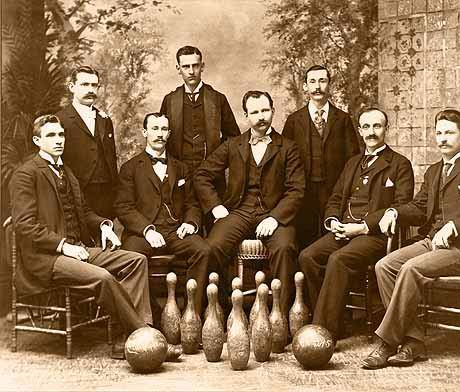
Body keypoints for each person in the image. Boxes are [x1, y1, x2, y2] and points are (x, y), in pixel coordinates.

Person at [362, 109, 460, 369]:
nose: (442, 139)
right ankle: (414, 341)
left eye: (449, 132)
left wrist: (455, 226)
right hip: (430, 242)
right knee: (385, 266)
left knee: (410, 268)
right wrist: (394, 211)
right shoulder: (434, 171)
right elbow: (418, 208)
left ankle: (386, 342)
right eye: (438, 133)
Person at [10, 114, 153, 359]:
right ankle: (145, 338)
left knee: (136, 260)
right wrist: (63, 245)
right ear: (37, 140)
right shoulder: (26, 174)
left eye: (61, 134)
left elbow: (84, 212)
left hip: (78, 249)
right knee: (104, 277)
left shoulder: (67, 171)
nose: (59, 140)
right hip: (46, 259)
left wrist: (104, 226)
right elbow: (24, 225)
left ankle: (129, 337)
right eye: (51, 135)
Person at [298, 108, 414, 345]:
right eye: (367, 127)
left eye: (377, 126)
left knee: (338, 259)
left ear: (386, 129)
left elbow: (402, 206)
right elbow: (335, 198)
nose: (372, 132)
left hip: (376, 236)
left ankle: (322, 333)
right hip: (344, 230)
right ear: (360, 131)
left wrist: (362, 227)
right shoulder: (352, 163)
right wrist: (333, 222)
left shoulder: (400, 164)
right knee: (308, 256)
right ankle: (337, 320)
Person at [194, 91, 305, 312]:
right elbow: (201, 175)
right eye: (255, 112)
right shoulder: (233, 145)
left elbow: (297, 189)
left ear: (273, 111)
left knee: (284, 248)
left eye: (265, 110)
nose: (261, 116)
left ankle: (279, 317)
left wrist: (275, 218)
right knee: (211, 247)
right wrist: (216, 207)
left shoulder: (288, 147)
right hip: (240, 211)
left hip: (274, 213)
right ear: (246, 115)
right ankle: (213, 312)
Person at [114, 112, 213, 316]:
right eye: (155, 129)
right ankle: (153, 316)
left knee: (203, 250)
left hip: (176, 232)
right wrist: (147, 230)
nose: (160, 134)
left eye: (164, 129)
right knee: (130, 257)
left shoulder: (181, 168)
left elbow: (193, 203)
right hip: (144, 233)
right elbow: (123, 206)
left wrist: (191, 223)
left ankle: (191, 312)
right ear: (145, 132)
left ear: (169, 134)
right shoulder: (130, 168)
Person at [282, 65, 360, 249]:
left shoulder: (342, 119)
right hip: (303, 191)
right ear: (305, 86)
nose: (317, 86)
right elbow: (283, 158)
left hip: (333, 191)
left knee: (331, 239)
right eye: (312, 82)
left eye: (322, 81)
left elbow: (353, 159)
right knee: (303, 235)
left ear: (329, 85)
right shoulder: (294, 121)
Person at [159, 45, 240, 176]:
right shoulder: (170, 100)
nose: (191, 71)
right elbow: (161, 136)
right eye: (186, 67)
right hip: (179, 174)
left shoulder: (218, 99)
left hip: (211, 174)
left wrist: (217, 163)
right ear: (178, 69)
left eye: (195, 66)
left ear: (202, 66)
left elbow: (233, 138)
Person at [56, 65, 118, 221]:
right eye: (85, 85)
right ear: (72, 87)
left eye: (94, 85)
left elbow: (111, 157)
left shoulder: (104, 119)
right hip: (77, 191)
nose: (91, 90)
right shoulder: (60, 119)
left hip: (105, 192)